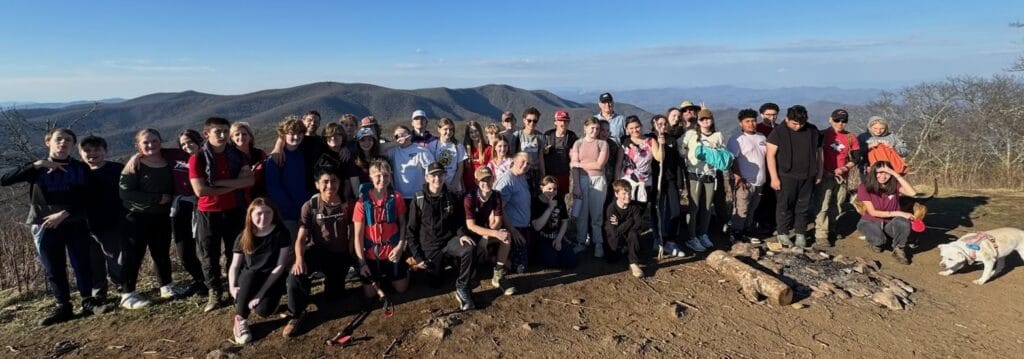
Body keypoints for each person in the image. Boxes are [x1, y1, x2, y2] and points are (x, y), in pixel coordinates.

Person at [1, 128, 97, 326]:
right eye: (58, 139)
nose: (63, 143)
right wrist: (37, 164)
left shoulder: (80, 168)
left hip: (74, 221)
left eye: (68, 140)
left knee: (81, 262)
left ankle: (88, 300)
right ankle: (63, 306)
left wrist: (65, 212)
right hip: (44, 224)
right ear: (48, 142)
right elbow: (5, 180)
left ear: (72, 145)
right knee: (53, 267)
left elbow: (88, 196)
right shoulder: (37, 169)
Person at [189, 117, 256, 312]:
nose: (222, 135)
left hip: (235, 209)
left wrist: (218, 184)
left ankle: (234, 288)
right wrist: (234, 184)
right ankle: (214, 291)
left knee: (234, 253)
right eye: (217, 131)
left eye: (225, 131)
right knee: (209, 254)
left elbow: (249, 181)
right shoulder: (198, 158)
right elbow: (200, 191)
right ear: (206, 134)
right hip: (208, 212)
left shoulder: (237, 154)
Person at [284, 168, 355, 337]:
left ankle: (332, 284)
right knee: (295, 274)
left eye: (334, 181)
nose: (330, 185)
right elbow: (301, 237)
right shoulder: (310, 206)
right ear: (317, 184)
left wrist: (351, 256)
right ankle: (296, 313)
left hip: (339, 254)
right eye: (325, 181)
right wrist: (299, 259)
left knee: (335, 297)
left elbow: (353, 233)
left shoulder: (347, 204)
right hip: (317, 251)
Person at [119, 129, 180, 309]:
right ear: (138, 145)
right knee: (134, 255)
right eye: (146, 142)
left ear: (161, 141)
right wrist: (156, 198)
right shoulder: (135, 165)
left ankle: (166, 286)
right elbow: (125, 192)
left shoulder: (168, 160)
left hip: (162, 216)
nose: (151, 145)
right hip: (136, 217)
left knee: (161, 252)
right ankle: (127, 294)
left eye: (154, 140)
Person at [406, 163, 477, 310]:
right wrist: (418, 257)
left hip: (448, 241)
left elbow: (458, 221)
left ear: (444, 176)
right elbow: (411, 231)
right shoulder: (418, 198)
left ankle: (462, 287)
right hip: (430, 245)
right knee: (435, 284)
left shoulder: (450, 196)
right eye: (433, 175)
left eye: (440, 174)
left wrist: (462, 235)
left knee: (468, 248)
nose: (437, 178)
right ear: (427, 178)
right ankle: (417, 263)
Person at [227, 198, 291, 344]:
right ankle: (240, 319)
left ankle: (262, 299)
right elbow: (235, 266)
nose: (264, 217)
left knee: (264, 312)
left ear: (273, 214)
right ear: (250, 215)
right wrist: (232, 286)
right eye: (259, 213)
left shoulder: (281, 233)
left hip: (272, 277)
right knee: (250, 273)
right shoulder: (244, 236)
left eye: (268, 213)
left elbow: (280, 265)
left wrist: (261, 293)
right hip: (249, 279)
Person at [353, 160, 410, 302]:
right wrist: (362, 263)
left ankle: (406, 268)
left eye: (386, 175)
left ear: (390, 177)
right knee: (370, 294)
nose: (382, 180)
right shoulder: (362, 203)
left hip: (393, 251)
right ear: (370, 177)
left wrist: (400, 247)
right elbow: (358, 236)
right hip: (372, 255)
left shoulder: (396, 197)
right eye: (378, 175)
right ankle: (381, 277)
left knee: (401, 289)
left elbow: (403, 224)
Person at [766, 105, 822, 248]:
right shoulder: (778, 132)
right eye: (794, 123)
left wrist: (819, 171)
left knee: (803, 206)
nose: (797, 127)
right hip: (786, 175)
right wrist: (774, 177)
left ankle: (800, 233)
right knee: (785, 205)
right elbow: (770, 155)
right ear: (786, 119)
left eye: (801, 124)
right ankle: (783, 233)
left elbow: (819, 153)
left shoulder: (812, 130)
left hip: (808, 174)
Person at [78, 135, 125, 305]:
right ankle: (98, 292)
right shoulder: (77, 172)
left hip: (111, 222)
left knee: (115, 257)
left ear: (105, 151)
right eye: (87, 151)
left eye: (97, 149)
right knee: (92, 260)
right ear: (81, 154)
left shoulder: (117, 169)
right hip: (83, 224)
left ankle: (123, 288)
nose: (92, 154)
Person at [463, 167, 516, 295]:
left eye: (489, 179)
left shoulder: (496, 195)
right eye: (482, 180)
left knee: (506, 236)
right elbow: (471, 226)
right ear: (476, 182)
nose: (486, 183)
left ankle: (498, 274)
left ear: (493, 179)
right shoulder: (469, 197)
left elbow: (498, 220)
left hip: (486, 232)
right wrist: (489, 234)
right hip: (468, 235)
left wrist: (487, 236)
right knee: (472, 273)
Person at [812, 109, 860, 246]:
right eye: (837, 120)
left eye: (844, 121)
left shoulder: (851, 137)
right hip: (825, 175)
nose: (840, 123)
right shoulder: (821, 135)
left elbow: (856, 158)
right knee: (823, 204)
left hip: (842, 177)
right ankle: (821, 234)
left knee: (837, 205)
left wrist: (845, 168)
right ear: (830, 119)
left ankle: (832, 228)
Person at [168, 130, 208, 296]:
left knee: (205, 247)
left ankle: (210, 281)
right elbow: (150, 149)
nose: (186, 146)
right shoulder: (174, 155)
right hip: (180, 207)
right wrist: (136, 157)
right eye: (183, 143)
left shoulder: (208, 156)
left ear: (199, 140)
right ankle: (200, 280)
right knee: (183, 250)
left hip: (203, 206)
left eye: (190, 141)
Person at [856, 161, 917, 264]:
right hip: (870, 221)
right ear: (874, 173)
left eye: (887, 173)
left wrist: (896, 174)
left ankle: (899, 249)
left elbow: (912, 193)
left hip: (890, 223)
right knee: (879, 241)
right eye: (879, 173)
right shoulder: (864, 187)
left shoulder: (894, 185)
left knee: (902, 221)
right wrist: (899, 213)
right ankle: (875, 242)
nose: (883, 176)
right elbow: (873, 212)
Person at [681, 109, 724, 252]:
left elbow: (722, 154)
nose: (705, 121)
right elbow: (683, 151)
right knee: (694, 207)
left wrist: (715, 149)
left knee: (707, 207)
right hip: (694, 174)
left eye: (708, 119)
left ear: (712, 120)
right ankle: (691, 237)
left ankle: (703, 234)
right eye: (702, 119)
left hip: (710, 175)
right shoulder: (691, 134)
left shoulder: (718, 135)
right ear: (698, 121)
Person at [726, 109, 768, 244]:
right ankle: (735, 233)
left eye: (753, 120)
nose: (751, 124)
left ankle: (746, 232)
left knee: (752, 209)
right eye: (747, 121)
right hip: (745, 181)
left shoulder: (762, 137)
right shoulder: (737, 139)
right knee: (741, 208)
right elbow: (732, 159)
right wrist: (738, 176)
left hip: (760, 181)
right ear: (741, 124)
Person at [569, 117, 609, 257]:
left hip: (598, 180)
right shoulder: (578, 144)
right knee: (582, 214)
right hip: (582, 179)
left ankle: (598, 243)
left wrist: (579, 165)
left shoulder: (602, 144)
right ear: (585, 128)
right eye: (592, 128)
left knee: (597, 214)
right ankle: (581, 242)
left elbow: (599, 165)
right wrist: (576, 185)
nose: (595, 131)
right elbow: (573, 167)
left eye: (597, 128)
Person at [647, 114, 685, 257]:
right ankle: (657, 238)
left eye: (665, 123)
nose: (663, 126)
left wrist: (679, 181)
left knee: (675, 210)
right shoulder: (649, 138)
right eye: (660, 124)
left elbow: (677, 163)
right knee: (656, 209)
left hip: (670, 180)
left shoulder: (671, 140)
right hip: (655, 179)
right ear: (654, 124)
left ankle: (671, 240)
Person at [264, 118, 309, 237]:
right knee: (289, 248)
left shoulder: (303, 153)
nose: (296, 137)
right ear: (284, 135)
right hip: (285, 214)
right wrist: (291, 208)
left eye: (299, 133)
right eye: (292, 134)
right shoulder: (275, 158)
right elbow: (273, 188)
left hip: (303, 211)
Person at [494, 153, 532, 273]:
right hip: (513, 228)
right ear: (514, 161)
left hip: (524, 226)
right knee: (520, 268)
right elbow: (499, 209)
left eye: (528, 163)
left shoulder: (521, 177)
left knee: (534, 258)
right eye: (523, 161)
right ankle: (493, 258)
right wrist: (512, 230)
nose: (525, 165)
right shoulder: (507, 181)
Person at [605, 179, 647, 278]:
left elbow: (639, 225)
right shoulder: (611, 209)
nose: (627, 196)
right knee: (612, 258)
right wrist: (630, 221)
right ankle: (624, 250)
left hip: (628, 234)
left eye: (629, 193)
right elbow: (615, 232)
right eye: (624, 193)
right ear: (616, 194)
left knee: (633, 234)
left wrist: (621, 224)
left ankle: (634, 263)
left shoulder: (634, 207)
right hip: (615, 237)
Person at [532, 176, 574, 269]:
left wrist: (559, 239)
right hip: (542, 238)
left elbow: (564, 221)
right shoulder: (535, 202)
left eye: (554, 189)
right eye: (549, 189)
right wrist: (550, 208)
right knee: (550, 261)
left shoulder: (559, 200)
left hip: (556, 236)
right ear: (541, 187)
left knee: (570, 261)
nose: (552, 192)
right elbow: (537, 227)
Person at [621, 116, 664, 207]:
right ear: (627, 129)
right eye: (631, 128)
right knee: (627, 208)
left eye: (637, 127)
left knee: (641, 208)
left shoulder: (650, 141)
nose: (635, 130)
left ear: (641, 126)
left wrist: (661, 144)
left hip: (645, 181)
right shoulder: (624, 142)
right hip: (627, 181)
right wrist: (617, 182)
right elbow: (618, 163)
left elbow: (659, 158)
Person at [753, 103, 781, 236]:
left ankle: (773, 223)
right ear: (762, 114)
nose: (771, 117)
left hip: (776, 169)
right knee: (759, 198)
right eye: (768, 114)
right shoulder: (756, 129)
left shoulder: (781, 129)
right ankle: (758, 223)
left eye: (774, 114)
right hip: (758, 169)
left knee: (775, 198)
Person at [388, 125, 434, 204]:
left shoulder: (421, 151)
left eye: (403, 134)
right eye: (397, 136)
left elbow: (432, 170)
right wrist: (396, 143)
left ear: (410, 136)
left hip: (419, 196)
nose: (400, 137)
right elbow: (378, 149)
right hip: (399, 196)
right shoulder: (393, 151)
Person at [427, 118, 466, 194]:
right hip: (438, 186)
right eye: (445, 129)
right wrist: (445, 185)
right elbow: (431, 168)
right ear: (439, 129)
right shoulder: (432, 146)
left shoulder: (458, 146)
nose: (448, 132)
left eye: (451, 129)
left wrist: (454, 185)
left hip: (455, 186)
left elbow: (460, 167)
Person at [230, 121, 267, 200]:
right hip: (237, 199)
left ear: (250, 137)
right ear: (232, 138)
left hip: (259, 196)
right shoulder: (229, 156)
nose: (241, 137)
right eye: (237, 134)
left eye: (244, 134)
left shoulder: (259, 154)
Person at [543, 110, 578, 195]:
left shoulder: (572, 136)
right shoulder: (548, 135)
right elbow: (541, 153)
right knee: (548, 196)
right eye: (560, 120)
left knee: (562, 197)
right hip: (549, 174)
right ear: (555, 122)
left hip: (563, 174)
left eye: (565, 121)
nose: (563, 123)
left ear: (568, 122)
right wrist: (545, 151)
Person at [514, 107, 547, 190]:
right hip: (521, 171)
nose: (532, 123)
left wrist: (543, 175)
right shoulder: (517, 135)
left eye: (535, 121)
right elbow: (513, 155)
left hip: (535, 172)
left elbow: (540, 157)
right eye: (529, 120)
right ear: (524, 120)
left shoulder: (540, 136)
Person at [463, 121, 491, 192]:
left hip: (484, 188)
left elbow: (492, 169)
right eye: (471, 132)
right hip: (468, 188)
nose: (474, 134)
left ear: (480, 131)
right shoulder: (464, 150)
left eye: (476, 131)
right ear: (468, 135)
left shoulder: (488, 149)